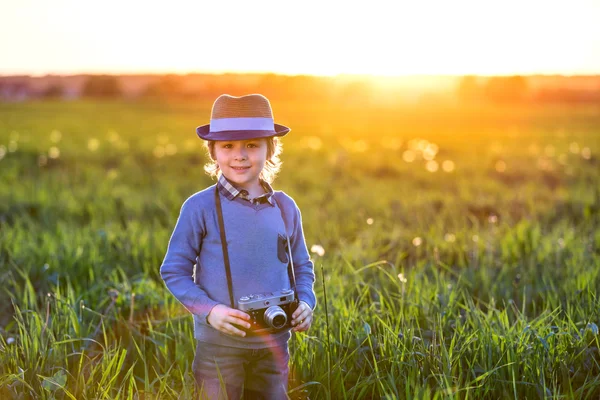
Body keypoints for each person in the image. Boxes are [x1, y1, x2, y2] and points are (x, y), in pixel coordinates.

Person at [160, 94, 317, 399]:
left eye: (252, 145)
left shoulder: (285, 207)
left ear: (270, 149)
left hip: (274, 344)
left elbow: (302, 266)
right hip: (219, 347)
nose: (240, 156)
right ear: (213, 152)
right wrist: (211, 311)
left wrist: (307, 302)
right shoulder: (200, 207)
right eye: (228, 146)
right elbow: (174, 271)